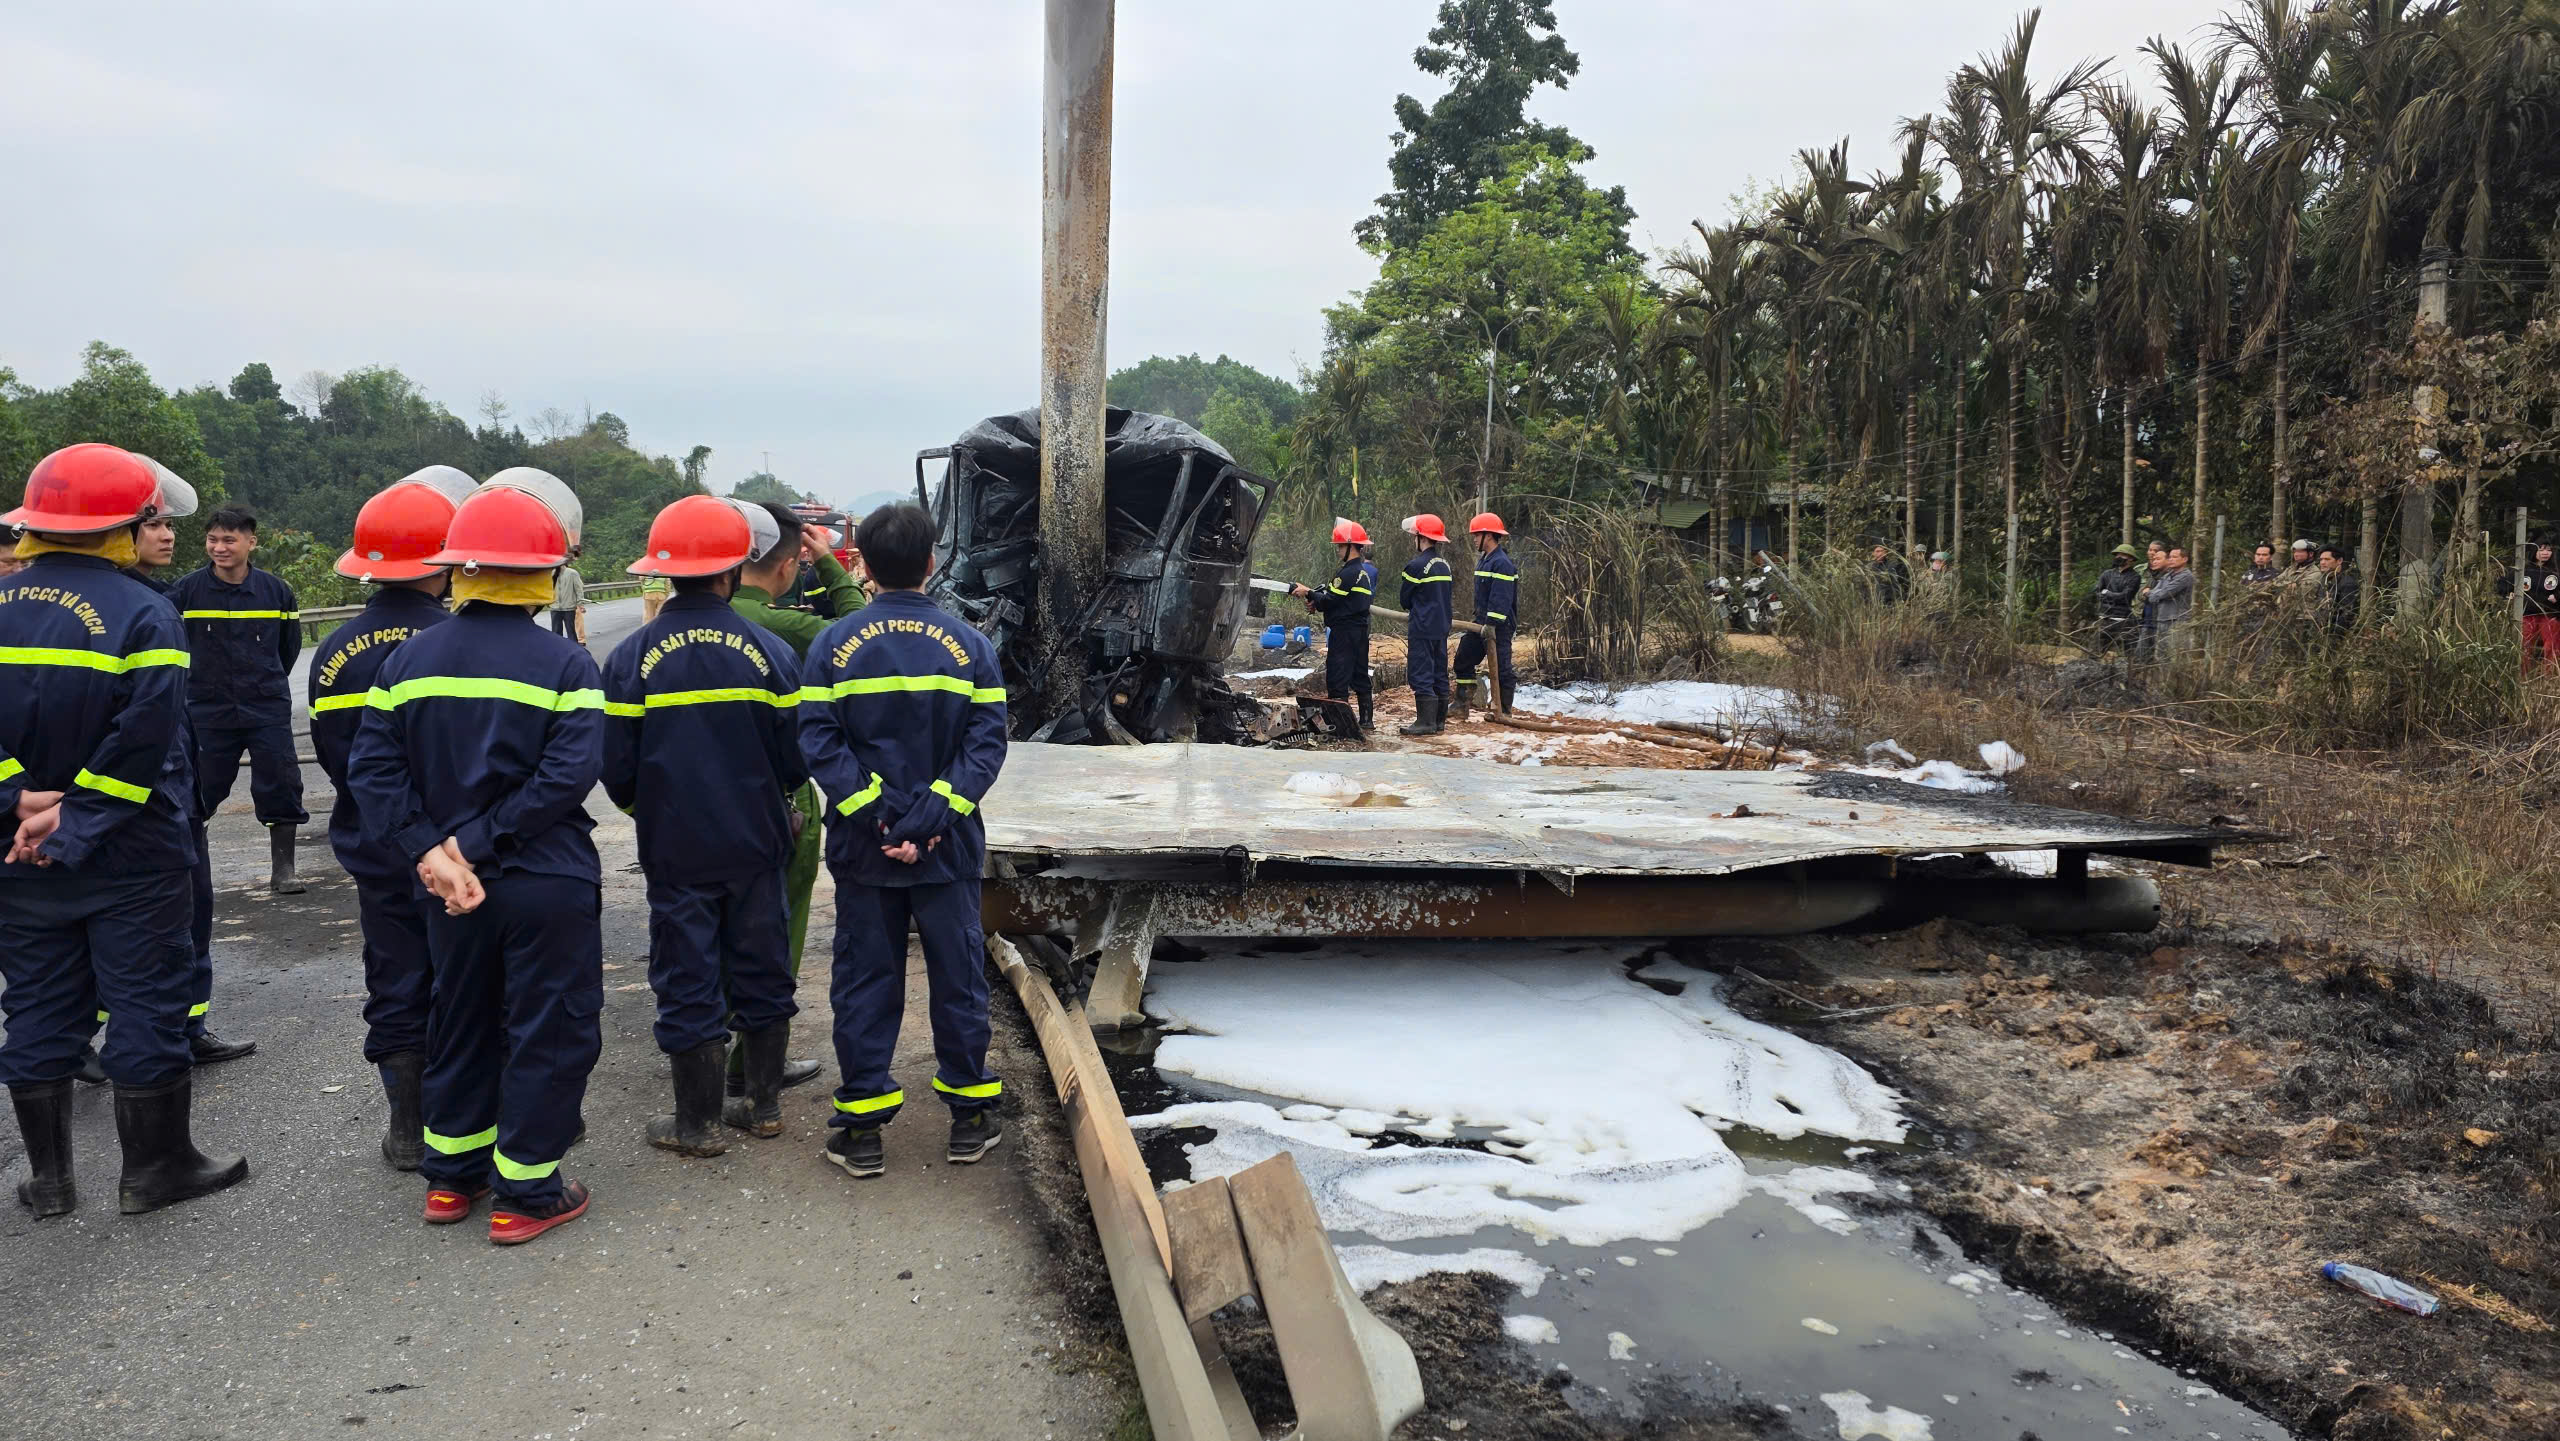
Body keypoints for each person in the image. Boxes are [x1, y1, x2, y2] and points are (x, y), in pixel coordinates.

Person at [346, 484, 605, 1244]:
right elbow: (566, 777)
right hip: (541, 878)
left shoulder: (406, 661)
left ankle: (452, 1178)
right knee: (548, 1026)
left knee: (458, 1019)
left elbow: (374, 772)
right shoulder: (568, 665)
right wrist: (477, 844)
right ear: (543, 575)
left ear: (458, 569)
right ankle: (526, 1187)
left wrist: (432, 852)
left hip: (447, 890)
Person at [2, 443, 251, 1218]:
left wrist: (17, 801)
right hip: (130, 850)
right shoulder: (146, 611)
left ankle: (49, 1182)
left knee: (36, 1003)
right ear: (121, 525)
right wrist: (74, 817)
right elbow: (144, 742)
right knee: (145, 1000)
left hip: (18, 850)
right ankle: (154, 1170)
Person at [799, 502, 1009, 1179]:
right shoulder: (972, 647)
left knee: (865, 981)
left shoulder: (830, 646)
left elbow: (819, 743)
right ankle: (970, 1120)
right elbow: (985, 749)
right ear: (930, 564)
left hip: (866, 853)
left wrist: (879, 819)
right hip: (947, 852)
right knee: (958, 979)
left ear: (861, 564)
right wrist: (929, 821)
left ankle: (861, 1131)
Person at [603, 497, 808, 1155]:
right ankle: (765, 1106)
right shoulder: (771, 651)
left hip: (677, 849)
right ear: (731, 571)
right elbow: (795, 758)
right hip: (757, 843)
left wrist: (653, 811)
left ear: (662, 574)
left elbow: (616, 769)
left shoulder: (630, 658)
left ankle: (697, 1124)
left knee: (687, 975)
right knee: (763, 964)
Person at [306, 469, 472, 1170]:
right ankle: (469, 1122)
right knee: (468, 983)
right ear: (445, 559)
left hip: (377, 848)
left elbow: (341, 760)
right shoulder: (461, 643)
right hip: (456, 849)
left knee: (396, 979)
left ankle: (407, 1129)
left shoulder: (330, 653)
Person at [729, 501, 865, 1095]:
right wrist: (833, 569)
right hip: (778, 803)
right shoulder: (792, 629)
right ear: (788, 566)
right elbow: (860, 632)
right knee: (776, 930)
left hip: (686, 810)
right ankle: (753, 1071)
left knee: (698, 934)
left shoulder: (659, 635)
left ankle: (701, 1082)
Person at [124, 461, 255, 1069]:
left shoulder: (149, 598)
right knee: (163, 927)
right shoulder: (145, 607)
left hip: (161, 797)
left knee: (186, 919)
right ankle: (155, 1051)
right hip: (149, 807)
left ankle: (182, 1028)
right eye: (152, 522)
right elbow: (143, 726)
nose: (168, 533)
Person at [169, 504, 308, 894]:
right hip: (207, 708)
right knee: (200, 787)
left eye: (229, 539)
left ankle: (284, 870)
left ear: (251, 542)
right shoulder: (186, 591)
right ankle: (194, 872)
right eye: (213, 539)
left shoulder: (276, 591)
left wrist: (263, 681)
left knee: (280, 783)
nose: (220, 547)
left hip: (265, 705)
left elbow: (288, 649)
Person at [1293, 518, 1377, 731]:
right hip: (1360, 632)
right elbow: (1339, 602)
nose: (1338, 550)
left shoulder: (1347, 573)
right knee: (1360, 674)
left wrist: (1309, 592)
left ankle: (1341, 724)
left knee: (1338, 675)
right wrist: (1317, 600)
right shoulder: (1363, 573)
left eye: (1340, 546)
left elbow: (1331, 600)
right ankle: (1366, 721)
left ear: (1351, 546)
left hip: (1344, 633)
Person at [1451, 512, 1518, 720]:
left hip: (1499, 626)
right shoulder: (1485, 561)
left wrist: (1492, 624)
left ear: (1488, 536)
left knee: (1502, 668)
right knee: (1463, 659)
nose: (1474, 539)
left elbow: (1501, 599)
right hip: (1480, 624)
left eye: (1476, 535)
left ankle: (1503, 710)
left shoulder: (1502, 564)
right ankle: (1462, 704)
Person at [1396, 514, 1455, 736]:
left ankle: (1425, 722)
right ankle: (1439, 722)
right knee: (1439, 673)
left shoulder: (1415, 566)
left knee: (1421, 673)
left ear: (1421, 537)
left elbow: (1405, 601)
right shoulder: (1445, 565)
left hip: (1422, 627)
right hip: (1441, 627)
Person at [2503, 540, 2560, 675]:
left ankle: (2549, 677)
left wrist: (2557, 596)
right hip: (2527, 613)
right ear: (2534, 551)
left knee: (2551, 646)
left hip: (2550, 613)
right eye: (2541, 550)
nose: (2545, 553)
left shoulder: (2556, 571)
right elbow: (2506, 584)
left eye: (2548, 550)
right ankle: (2522, 676)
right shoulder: (2524, 569)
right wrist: (2509, 593)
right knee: (2524, 645)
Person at [2146, 546, 2197, 662]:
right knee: (2160, 657)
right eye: (2170, 557)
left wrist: (2150, 593)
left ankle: (2177, 680)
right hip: (2162, 619)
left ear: (2184, 559)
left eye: (2175, 557)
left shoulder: (2186, 576)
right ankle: (2162, 680)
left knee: (2176, 657)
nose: (2171, 559)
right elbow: (2154, 596)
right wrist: (2152, 594)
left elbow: (2162, 593)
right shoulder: (2167, 576)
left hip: (2177, 621)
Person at [2093, 543, 2142, 657]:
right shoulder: (2107, 574)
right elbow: (2097, 592)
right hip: (2104, 618)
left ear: (2131, 559)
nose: (2119, 557)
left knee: (2129, 654)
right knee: (2094, 651)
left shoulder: (2135, 577)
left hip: (2124, 620)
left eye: (2123, 555)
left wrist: (2107, 593)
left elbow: (2125, 596)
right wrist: (2110, 595)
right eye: (2117, 554)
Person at [2316, 544, 2361, 640]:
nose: (2322, 563)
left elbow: (2347, 615)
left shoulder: (2347, 583)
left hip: (2336, 637)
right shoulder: (2324, 581)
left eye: (2327, 559)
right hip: (2320, 633)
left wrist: (2333, 638)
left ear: (2339, 561)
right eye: (2321, 559)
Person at [550, 549, 587, 641]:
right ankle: (557, 651)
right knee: (556, 633)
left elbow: (579, 589)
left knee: (571, 632)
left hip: (569, 608)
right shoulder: (551, 573)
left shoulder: (572, 573)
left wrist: (580, 603)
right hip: (555, 608)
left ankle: (574, 649)